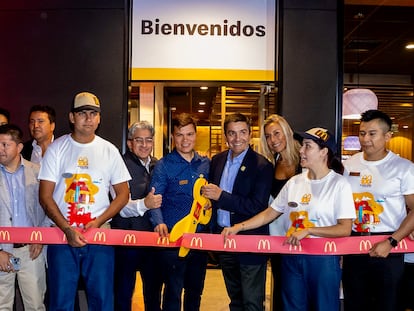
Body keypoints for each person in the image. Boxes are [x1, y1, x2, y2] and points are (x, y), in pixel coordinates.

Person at [221, 127, 356, 311]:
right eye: (302, 146)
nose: (301, 150)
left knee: (324, 306)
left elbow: (345, 229)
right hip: (292, 256)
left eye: (308, 146)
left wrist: (310, 231)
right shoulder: (295, 182)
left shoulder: (339, 184)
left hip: (323, 260)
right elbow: (270, 213)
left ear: (324, 152)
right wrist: (239, 227)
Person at [38, 91, 131, 311]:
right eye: (82, 113)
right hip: (62, 234)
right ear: (72, 117)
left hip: (99, 234)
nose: (88, 118)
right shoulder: (56, 149)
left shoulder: (109, 150)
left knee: (102, 300)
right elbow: (45, 195)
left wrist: (98, 221)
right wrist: (66, 228)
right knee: (60, 301)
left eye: (93, 113)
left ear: (99, 118)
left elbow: (123, 194)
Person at [342, 109, 414, 311]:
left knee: (388, 304)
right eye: (362, 133)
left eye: (372, 134)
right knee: (354, 303)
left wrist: (392, 241)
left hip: (388, 245)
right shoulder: (348, 165)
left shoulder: (403, 167)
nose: (365, 139)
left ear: (388, 136)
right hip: (354, 244)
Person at [202, 113, 273, 311]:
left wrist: (220, 196)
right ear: (225, 136)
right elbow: (213, 197)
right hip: (224, 239)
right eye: (232, 133)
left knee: (252, 302)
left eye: (242, 132)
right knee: (235, 299)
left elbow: (257, 206)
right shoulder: (217, 160)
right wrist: (211, 203)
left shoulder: (262, 166)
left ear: (250, 134)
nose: (237, 138)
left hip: (250, 241)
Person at [149, 113, 210, 311]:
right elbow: (154, 199)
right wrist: (158, 222)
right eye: (180, 135)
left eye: (189, 134)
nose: (185, 140)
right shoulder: (164, 165)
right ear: (173, 137)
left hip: (200, 239)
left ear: (196, 134)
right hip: (173, 240)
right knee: (173, 292)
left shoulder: (206, 164)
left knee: (195, 291)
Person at [111, 121, 163, 311]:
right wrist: (144, 204)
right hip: (126, 241)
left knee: (154, 293)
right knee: (123, 294)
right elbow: (119, 206)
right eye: (138, 140)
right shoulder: (119, 165)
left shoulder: (158, 165)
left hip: (152, 241)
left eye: (148, 140)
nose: (144, 145)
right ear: (130, 143)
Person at [0, 124, 47, 310]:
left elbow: (49, 209)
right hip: (3, 252)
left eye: (5, 145)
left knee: (35, 305)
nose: (0, 150)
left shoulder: (37, 172)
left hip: (31, 251)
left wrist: (41, 238)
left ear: (19, 147)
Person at [261, 114, 301, 311]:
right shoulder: (271, 164)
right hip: (278, 239)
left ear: (287, 132)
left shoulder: (306, 160)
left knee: (300, 292)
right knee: (281, 289)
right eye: (268, 136)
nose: (273, 140)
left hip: (304, 237)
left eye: (277, 133)